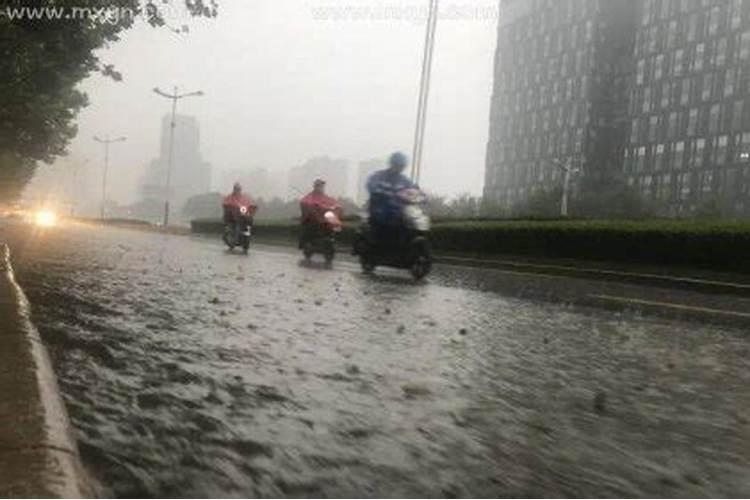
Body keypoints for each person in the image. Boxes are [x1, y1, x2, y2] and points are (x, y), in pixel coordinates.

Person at [365, 152, 418, 245]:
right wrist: (381, 192)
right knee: (378, 228)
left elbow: (413, 190)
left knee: (409, 226)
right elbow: (371, 185)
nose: (399, 167)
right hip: (380, 211)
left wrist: (421, 196)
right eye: (397, 165)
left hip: (399, 213)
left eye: (401, 166)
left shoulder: (404, 180)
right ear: (392, 164)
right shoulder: (379, 176)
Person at [299, 179, 341, 249]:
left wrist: (337, 207)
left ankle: (334, 240)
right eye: (319, 186)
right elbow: (305, 202)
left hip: (324, 218)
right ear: (315, 187)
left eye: (322, 186)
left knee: (336, 224)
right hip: (313, 219)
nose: (321, 188)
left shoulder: (325, 197)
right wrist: (313, 206)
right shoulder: (310, 196)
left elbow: (334, 203)